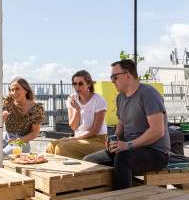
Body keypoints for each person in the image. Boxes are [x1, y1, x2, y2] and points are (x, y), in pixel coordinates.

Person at [83, 59, 170, 190]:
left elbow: (157, 131)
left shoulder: (148, 93)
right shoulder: (120, 98)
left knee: (123, 158)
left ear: (128, 75)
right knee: (89, 160)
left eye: (114, 77)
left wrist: (128, 145)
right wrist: (114, 139)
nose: (112, 81)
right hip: (130, 149)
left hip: (155, 152)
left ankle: (123, 196)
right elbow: (121, 124)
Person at [46, 70, 107, 159]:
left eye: (81, 84)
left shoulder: (99, 100)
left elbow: (95, 130)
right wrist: (77, 110)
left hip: (97, 139)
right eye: (75, 84)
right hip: (79, 138)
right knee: (50, 146)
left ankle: (70, 171)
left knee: (62, 148)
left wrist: (73, 139)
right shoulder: (73, 98)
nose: (77, 87)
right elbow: (74, 127)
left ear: (89, 84)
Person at [0, 77, 45, 159]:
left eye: (17, 89)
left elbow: (35, 132)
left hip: (22, 141)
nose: (14, 92)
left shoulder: (36, 108)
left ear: (26, 90)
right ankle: (0, 158)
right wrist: (1, 119)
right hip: (6, 138)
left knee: (7, 152)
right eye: (12, 90)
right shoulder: (7, 102)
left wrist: (17, 142)